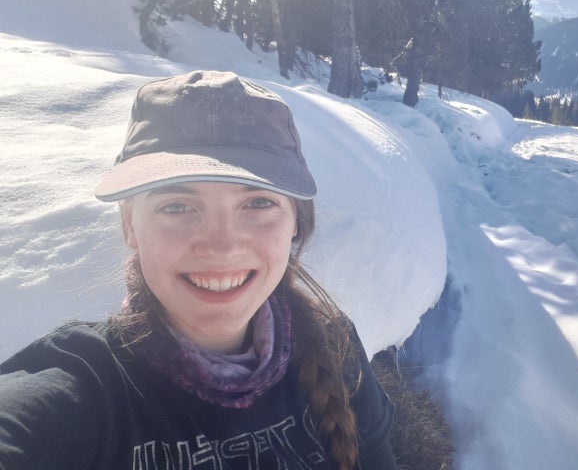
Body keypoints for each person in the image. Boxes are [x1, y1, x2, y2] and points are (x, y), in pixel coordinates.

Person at [0, 70, 397, 469]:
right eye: (177, 206)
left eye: (258, 202)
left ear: (295, 220)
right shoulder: (86, 389)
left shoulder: (333, 345)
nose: (222, 247)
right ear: (130, 225)